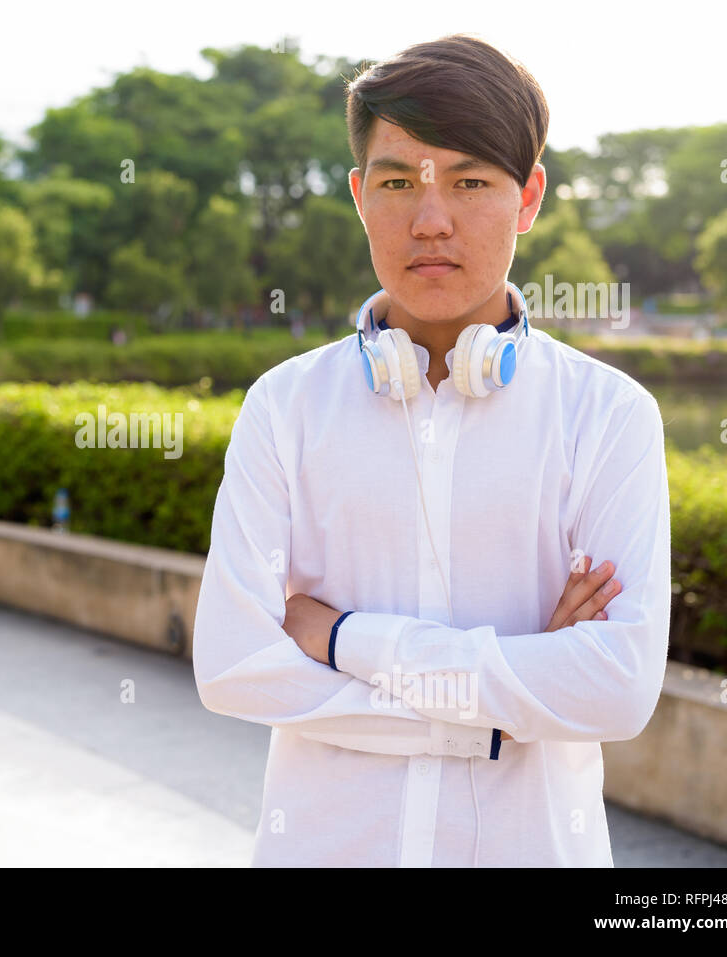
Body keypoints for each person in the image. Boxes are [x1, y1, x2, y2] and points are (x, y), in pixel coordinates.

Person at [192, 34, 671, 867]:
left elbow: (616, 687)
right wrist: (511, 697)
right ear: (358, 194)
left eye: (470, 180)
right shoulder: (284, 406)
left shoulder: (610, 416)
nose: (431, 218)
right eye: (397, 181)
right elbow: (234, 664)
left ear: (528, 198)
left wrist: (341, 639)